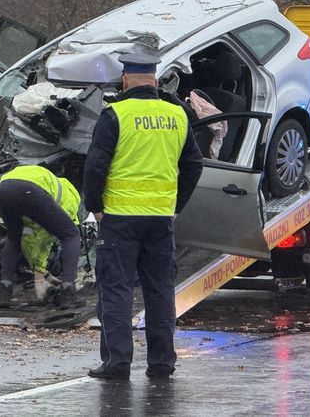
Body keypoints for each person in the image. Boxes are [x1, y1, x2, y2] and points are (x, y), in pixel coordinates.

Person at [84, 52, 203, 380]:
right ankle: (162, 362)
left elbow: (95, 164)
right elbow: (194, 164)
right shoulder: (177, 114)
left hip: (120, 218)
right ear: (154, 80)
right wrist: (176, 205)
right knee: (160, 291)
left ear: (125, 80)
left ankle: (117, 362)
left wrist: (94, 205)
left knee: (117, 289)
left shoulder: (114, 115)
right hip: (161, 219)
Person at [0, 164, 85, 309]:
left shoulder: (54, 185)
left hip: (1, 189)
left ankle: (4, 292)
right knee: (71, 235)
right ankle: (68, 293)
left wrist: (41, 275)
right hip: (29, 190)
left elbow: (28, 236)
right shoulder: (71, 200)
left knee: (14, 238)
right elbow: (45, 237)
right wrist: (40, 277)